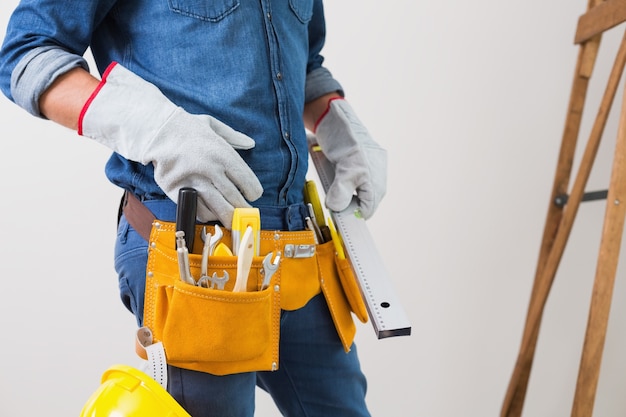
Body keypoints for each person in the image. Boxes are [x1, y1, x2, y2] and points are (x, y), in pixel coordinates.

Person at [0, 1, 387, 416]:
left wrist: (337, 121)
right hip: (193, 249)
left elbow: (304, 62)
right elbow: (27, 54)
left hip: (299, 248)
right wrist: (154, 129)